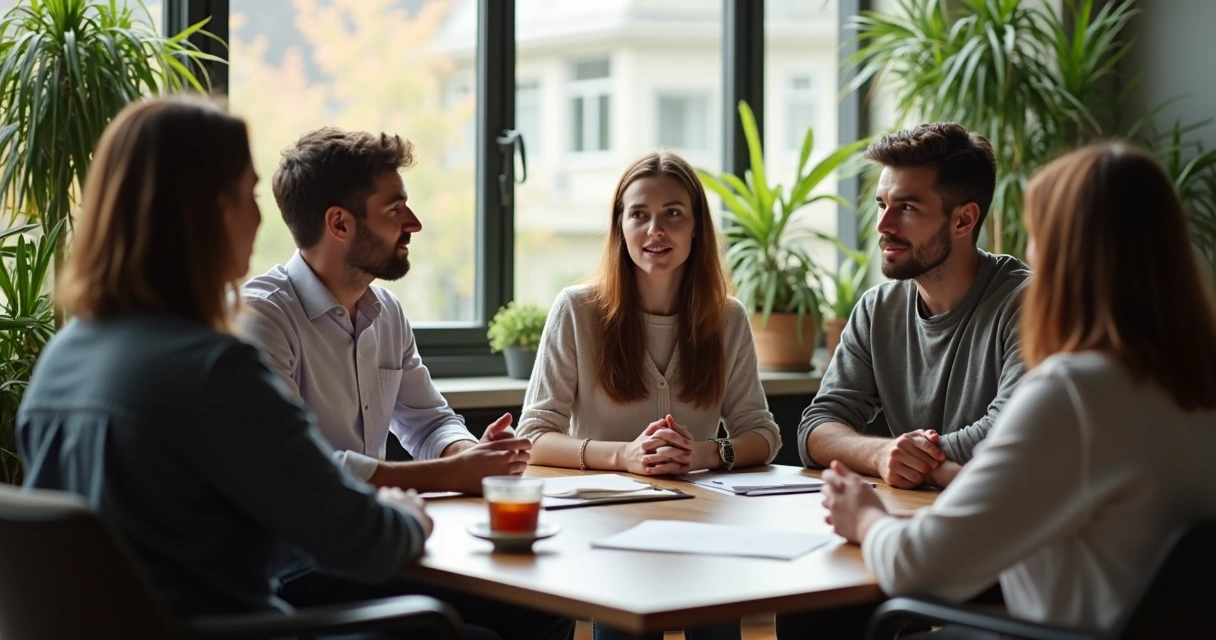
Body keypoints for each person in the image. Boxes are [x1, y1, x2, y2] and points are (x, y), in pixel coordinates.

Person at [16, 98, 484, 639]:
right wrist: (408, 512)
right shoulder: (214, 368)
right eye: (249, 195)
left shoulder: (64, 355)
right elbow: (365, 540)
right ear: (206, 212)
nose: (261, 218)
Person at [821, 143, 1216, 636]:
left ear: (1065, 255)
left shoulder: (1077, 392)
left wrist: (864, 517)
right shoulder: (1191, 380)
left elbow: (916, 567)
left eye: (1037, 236)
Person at [238, 126, 572, 640]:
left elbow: (429, 421)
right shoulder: (262, 316)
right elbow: (304, 470)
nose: (414, 222)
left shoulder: (386, 311)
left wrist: (472, 453)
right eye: (395, 208)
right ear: (339, 223)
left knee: (546, 605)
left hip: (373, 538)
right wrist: (453, 474)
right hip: (296, 563)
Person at [517, 150, 782, 640]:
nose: (655, 231)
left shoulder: (727, 318)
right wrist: (625, 456)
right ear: (620, 227)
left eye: (672, 214)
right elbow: (533, 436)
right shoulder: (577, 310)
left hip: (703, 528)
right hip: (607, 530)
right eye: (639, 214)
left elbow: (762, 432)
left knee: (718, 620)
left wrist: (702, 453)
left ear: (696, 228)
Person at [798, 122, 1030, 491]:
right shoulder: (877, 310)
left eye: (906, 207)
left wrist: (910, 458)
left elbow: (1012, 433)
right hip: (915, 511)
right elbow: (817, 427)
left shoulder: (1027, 304)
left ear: (964, 220)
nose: (883, 225)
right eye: (882, 204)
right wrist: (881, 454)